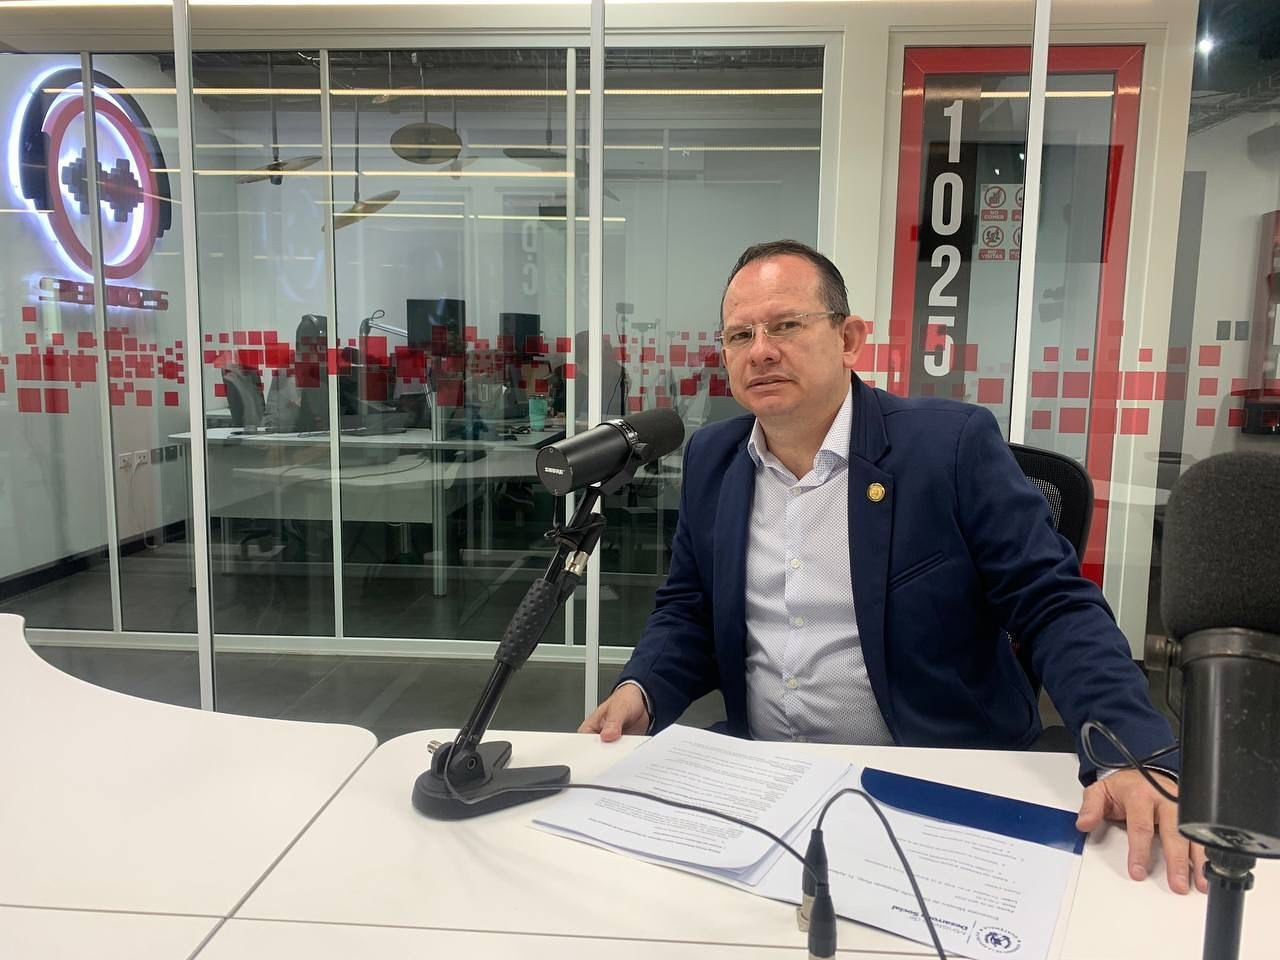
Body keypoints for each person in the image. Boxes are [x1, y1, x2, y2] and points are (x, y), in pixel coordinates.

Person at [581, 239, 1207, 895]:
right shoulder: (714, 458)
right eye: (740, 335)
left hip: (934, 776)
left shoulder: (949, 447)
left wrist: (1131, 751)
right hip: (766, 778)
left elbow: (1054, 605)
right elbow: (689, 608)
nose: (760, 350)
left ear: (849, 339)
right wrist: (642, 689)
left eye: (786, 325)